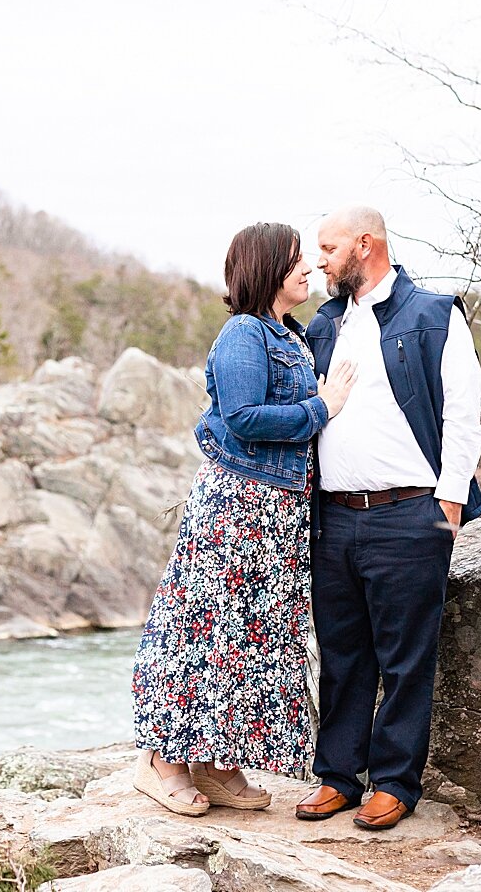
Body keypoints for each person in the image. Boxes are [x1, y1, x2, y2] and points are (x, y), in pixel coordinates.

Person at [130, 222, 357, 816]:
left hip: (279, 512)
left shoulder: (293, 334)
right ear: (265, 271)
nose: (307, 267)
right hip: (237, 509)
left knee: (248, 645)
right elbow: (243, 418)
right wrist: (322, 407)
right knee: (201, 637)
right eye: (293, 260)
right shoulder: (242, 335)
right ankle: (160, 763)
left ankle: (215, 763)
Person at [293, 205, 481, 831]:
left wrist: (450, 498)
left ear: (364, 244)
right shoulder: (323, 325)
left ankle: (396, 783)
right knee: (343, 654)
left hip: (410, 514)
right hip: (334, 517)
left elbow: (462, 410)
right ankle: (338, 779)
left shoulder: (434, 315)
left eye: (327, 247)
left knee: (407, 658)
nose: (318, 259)